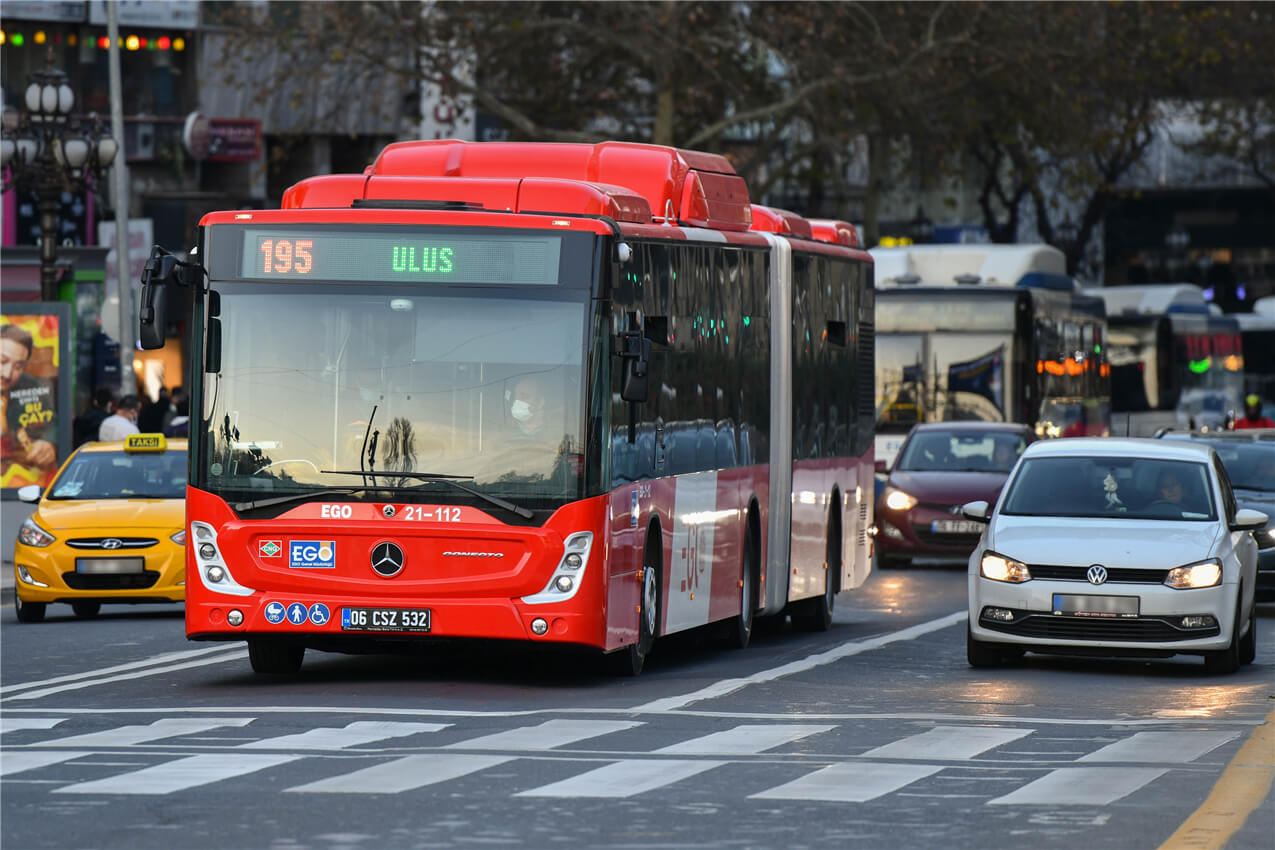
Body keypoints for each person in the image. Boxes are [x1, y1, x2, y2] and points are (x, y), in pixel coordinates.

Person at [1, 323, 58, 476]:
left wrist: (49, 443)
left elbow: (52, 423)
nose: (7, 374)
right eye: (2, 361)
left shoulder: (31, 387)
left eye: (18, 367)